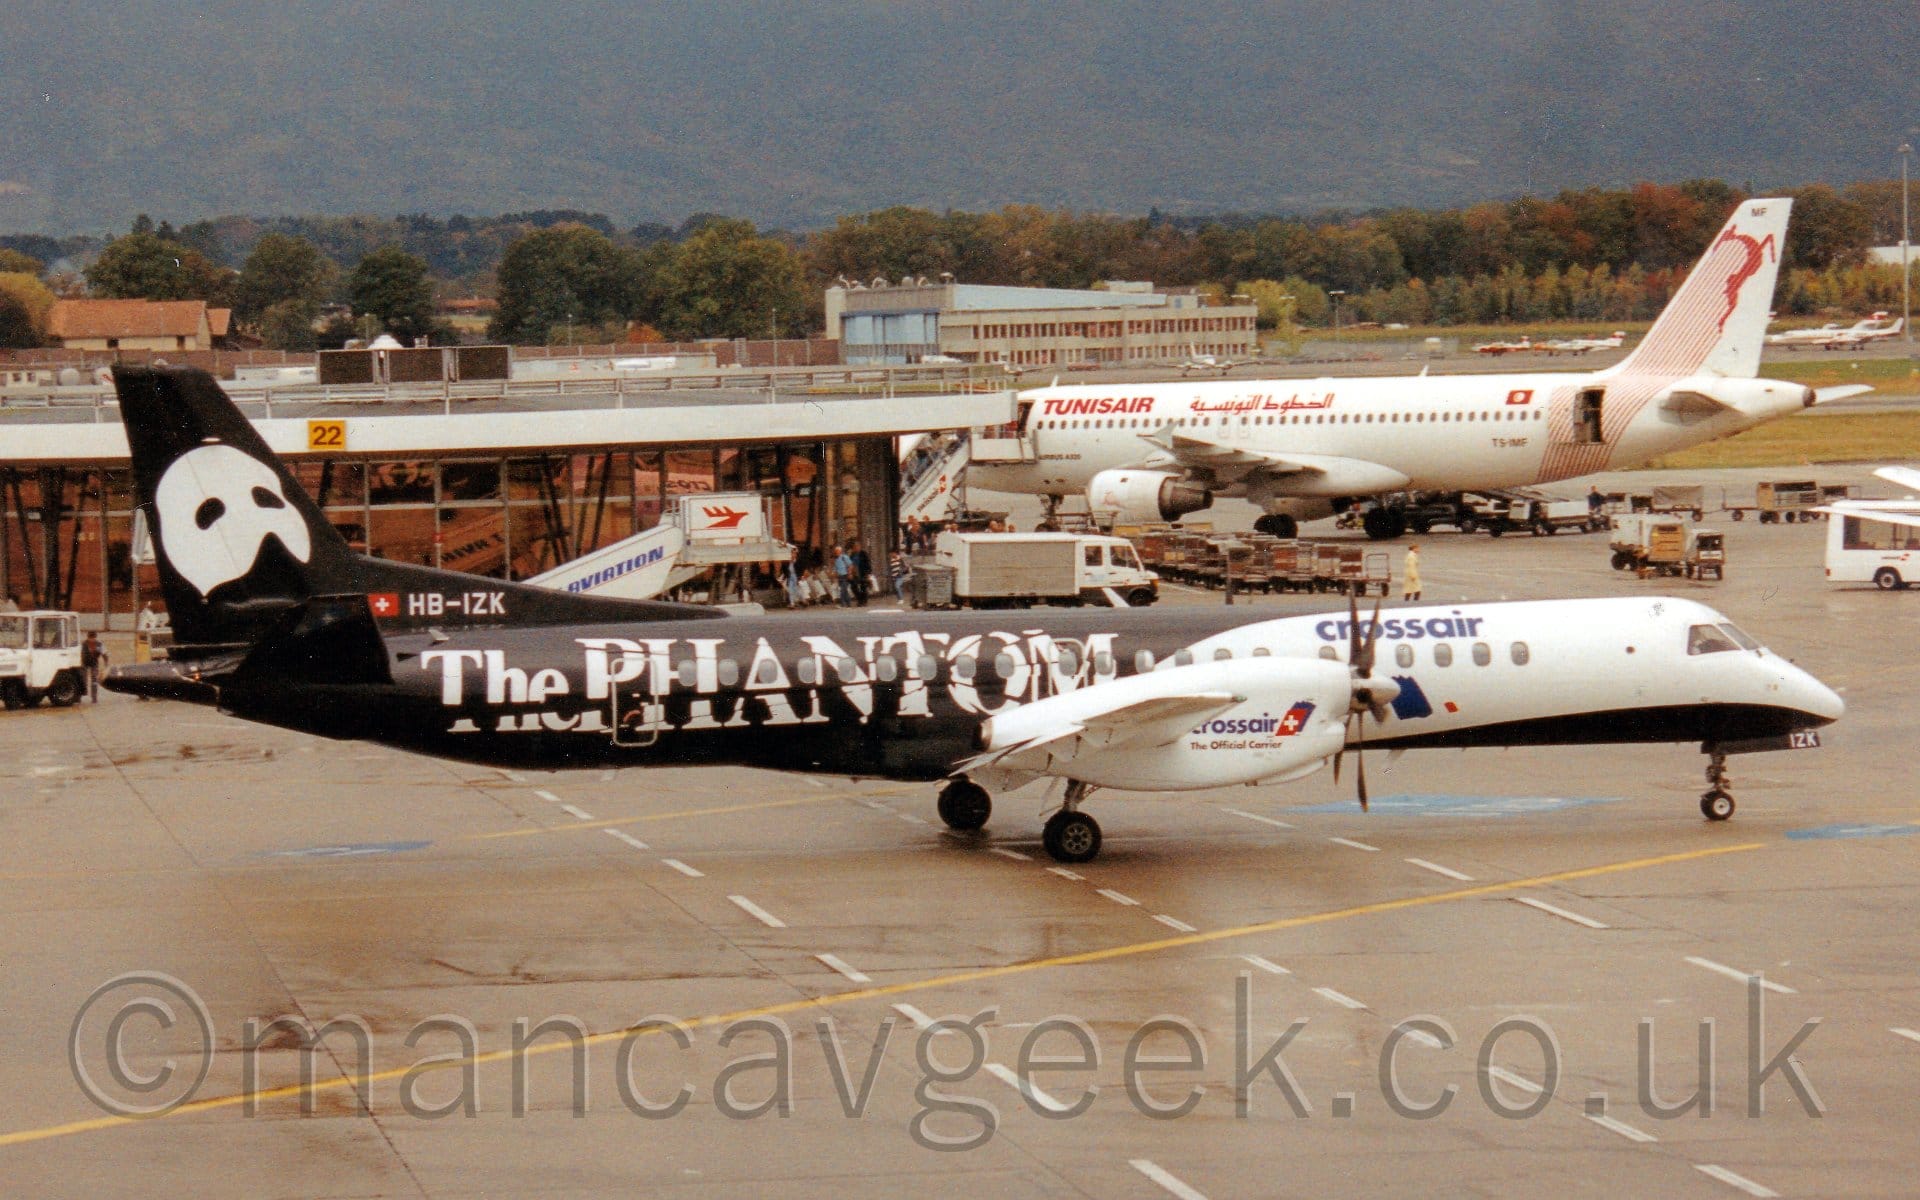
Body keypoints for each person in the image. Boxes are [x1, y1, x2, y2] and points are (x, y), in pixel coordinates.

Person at [81, 630, 107, 702]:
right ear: (88, 637)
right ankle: (79, 697)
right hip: (84, 663)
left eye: (93, 638)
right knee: (83, 680)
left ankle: (94, 698)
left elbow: (104, 654)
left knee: (94, 680)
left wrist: (106, 664)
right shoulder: (83, 644)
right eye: (90, 638)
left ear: (95, 637)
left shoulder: (99, 644)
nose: (92, 639)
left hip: (94, 663)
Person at [850, 541, 872, 606]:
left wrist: (868, 573)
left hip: (863, 572)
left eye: (857, 546)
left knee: (863, 587)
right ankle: (860, 599)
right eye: (854, 547)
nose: (856, 548)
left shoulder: (863, 553)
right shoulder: (852, 555)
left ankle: (864, 601)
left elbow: (868, 563)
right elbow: (849, 564)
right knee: (853, 586)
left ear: (859, 547)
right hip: (855, 573)